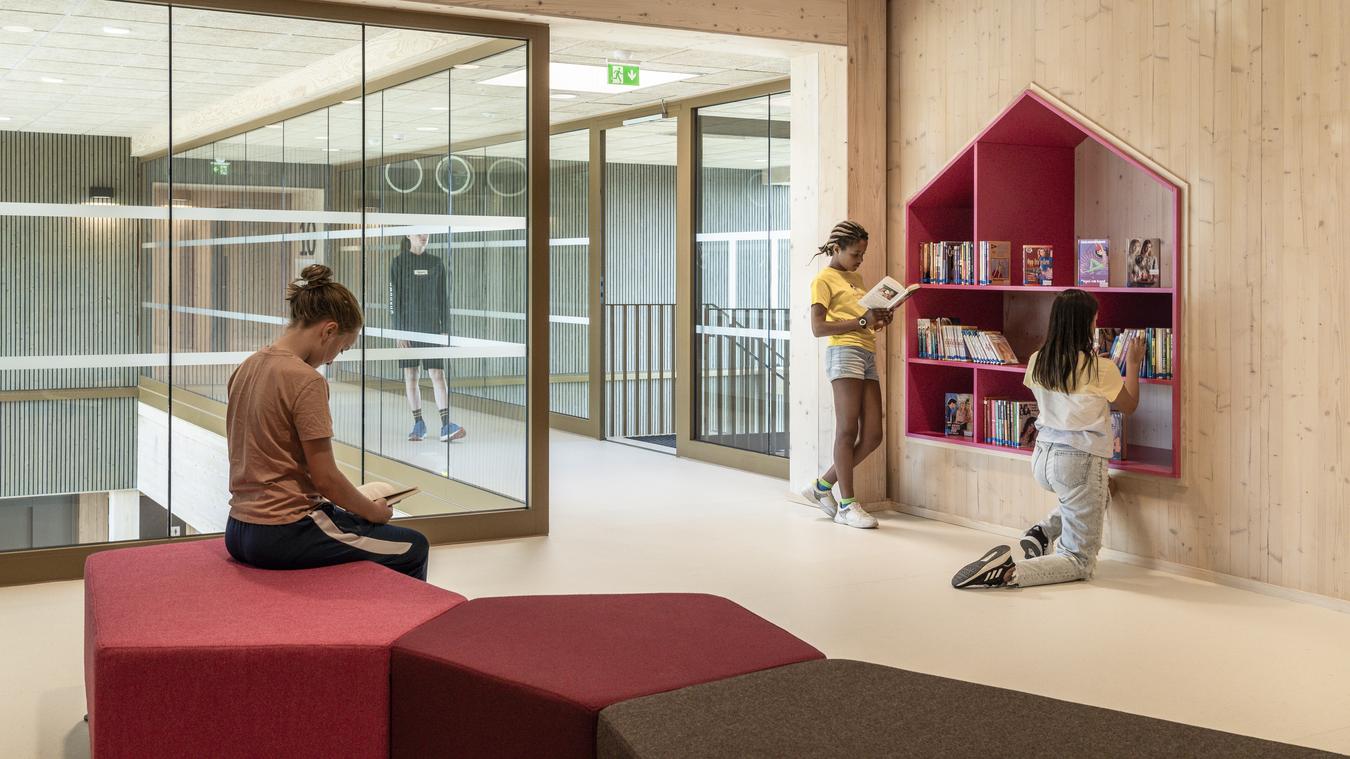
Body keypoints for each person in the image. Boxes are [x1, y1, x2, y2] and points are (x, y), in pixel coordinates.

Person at [224, 264, 430, 580]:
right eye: (341, 348)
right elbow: (326, 479)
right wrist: (374, 511)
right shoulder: (306, 380)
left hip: (238, 530)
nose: (333, 358)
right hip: (284, 532)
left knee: (358, 522)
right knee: (413, 546)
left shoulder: (247, 367)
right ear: (329, 330)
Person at [951, 289, 1143, 589]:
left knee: (1106, 488)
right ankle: (1007, 572)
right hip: (1079, 460)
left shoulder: (1039, 360)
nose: (1096, 325)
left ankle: (1042, 532)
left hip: (1043, 457)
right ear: (1085, 325)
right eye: (1094, 321)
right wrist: (1132, 364)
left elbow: (1067, 389)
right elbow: (1129, 405)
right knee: (1079, 560)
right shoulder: (1100, 368)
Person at [798, 221, 902, 530]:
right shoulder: (823, 280)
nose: (860, 260)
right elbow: (818, 328)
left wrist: (878, 320)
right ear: (836, 249)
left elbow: (861, 322)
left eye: (863, 254)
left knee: (873, 435)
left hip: (866, 352)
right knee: (846, 430)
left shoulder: (855, 277)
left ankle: (821, 486)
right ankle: (846, 504)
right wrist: (861, 322)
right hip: (844, 353)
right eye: (856, 254)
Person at [389, 233, 465, 443]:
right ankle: (418, 424)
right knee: (411, 377)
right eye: (419, 233)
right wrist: (399, 332)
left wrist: (445, 329)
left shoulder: (436, 263)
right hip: (408, 330)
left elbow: (443, 298)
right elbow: (393, 300)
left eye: (427, 233)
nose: (424, 237)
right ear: (409, 235)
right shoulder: (398, 263)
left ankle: (446, 425)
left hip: (432, 329)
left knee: (437, 375)